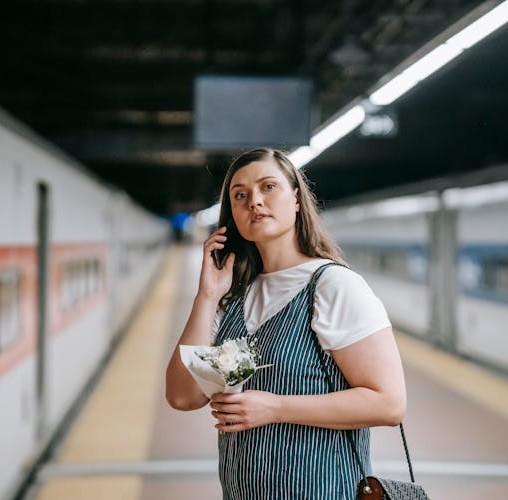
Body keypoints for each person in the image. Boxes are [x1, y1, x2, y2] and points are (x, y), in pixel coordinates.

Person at [165, 148, 406, 499]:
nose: (254, 202)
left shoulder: (332, 286)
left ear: (296, 198)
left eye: (268, 187)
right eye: (240, 195)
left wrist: (276, 407)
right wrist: (206, 296)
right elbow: (183, 396)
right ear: (232, 212)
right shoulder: (234, 298)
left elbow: (389, 404)